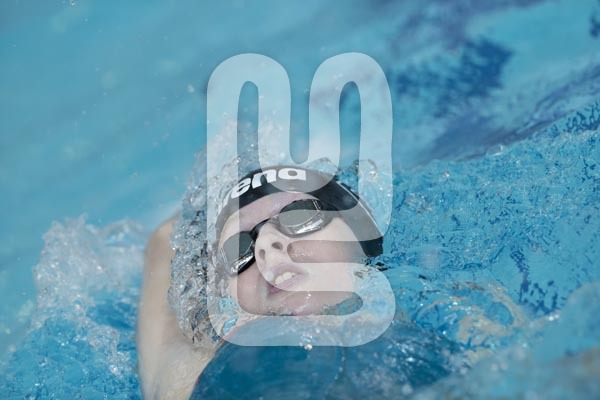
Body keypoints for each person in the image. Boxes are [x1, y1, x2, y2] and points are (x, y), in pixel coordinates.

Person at [136, 165, 389, 399]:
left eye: (299, 215)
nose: (264, 245)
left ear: (364, 241)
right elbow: (163, 243)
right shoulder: (193, 376)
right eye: (238, 249)